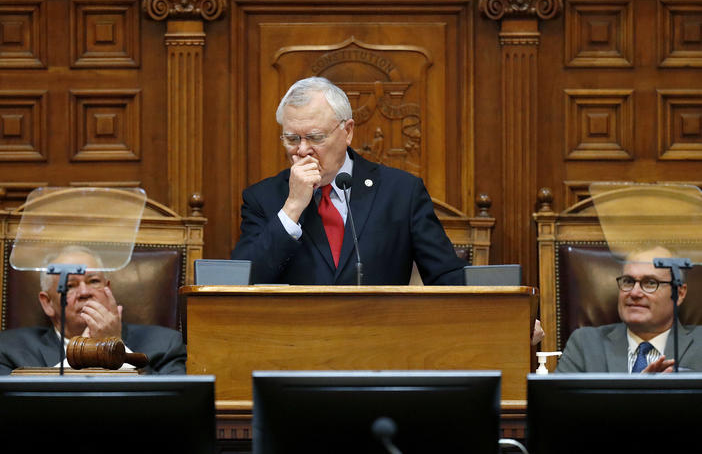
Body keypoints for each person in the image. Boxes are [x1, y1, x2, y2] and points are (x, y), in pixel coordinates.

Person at [231, 76, 468, 286]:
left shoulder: (402, 192)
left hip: (380, 331)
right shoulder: (262, 198)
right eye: (292, 138)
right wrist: (292, 207)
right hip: (295, 333)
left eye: (315, 137)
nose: (302, 150)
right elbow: (241, 283)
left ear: (348, 131)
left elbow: (447, 278)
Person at [0, 245, 187, 375]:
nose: (84, 292)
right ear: (47, 303)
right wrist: (81, 354)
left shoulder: (165, 344)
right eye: (70, 285)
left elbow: (174, 406)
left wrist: (116, 350)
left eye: (94, 281)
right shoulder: (10, 349)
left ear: (109, 290)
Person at [556, 245, 702, 373]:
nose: (634, 293)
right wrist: (637, 398)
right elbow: (558, 404)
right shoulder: (585, 344)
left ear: (679, 293)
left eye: (650, 283)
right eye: (628, 281)